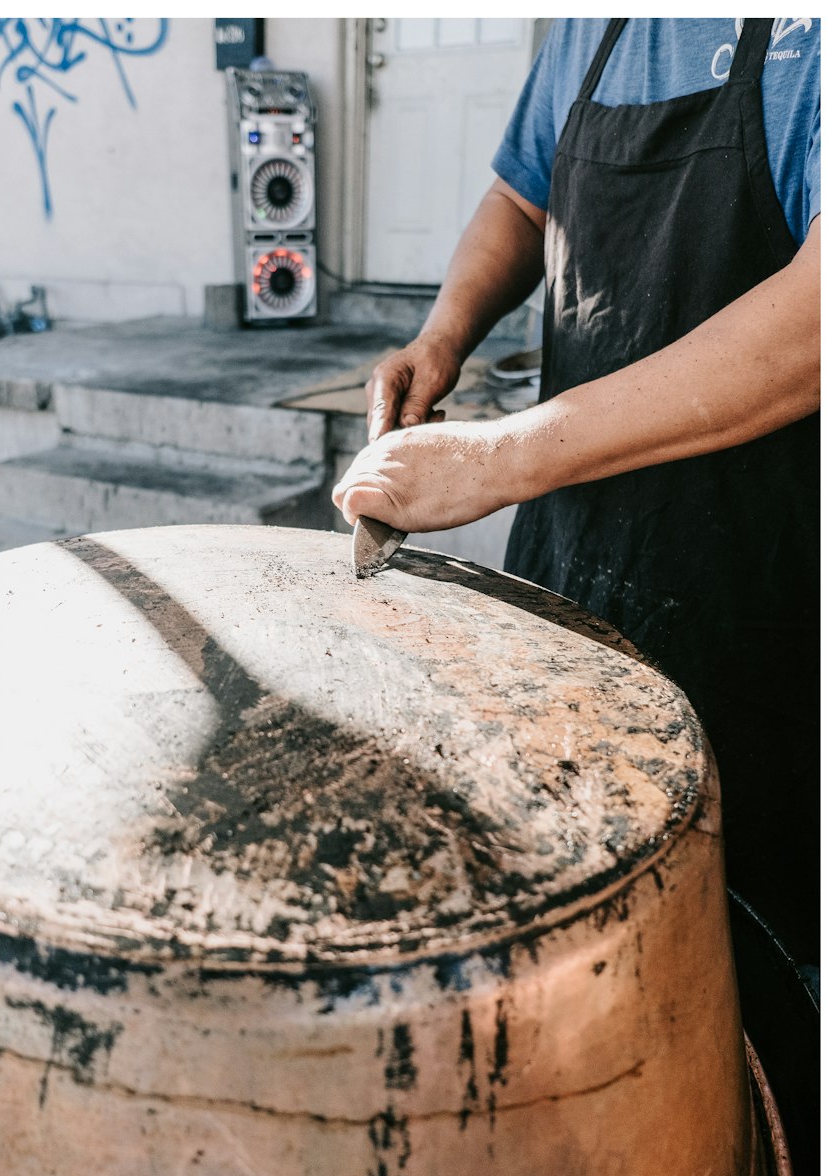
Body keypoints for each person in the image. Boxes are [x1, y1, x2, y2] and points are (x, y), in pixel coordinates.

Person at [332, 19, 820, 973]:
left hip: (766, 585)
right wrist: (443, 335)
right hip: (575, 552)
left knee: (745, 950)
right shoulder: (591, 26)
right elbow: (521, 200)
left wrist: (500, 457)